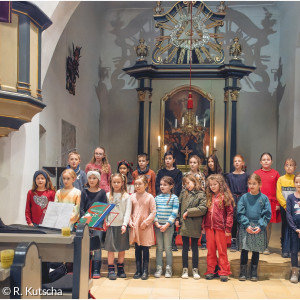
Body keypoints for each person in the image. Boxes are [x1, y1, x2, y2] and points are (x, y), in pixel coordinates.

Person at [237, 173, 271, 281]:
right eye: (249, 183)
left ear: (260, 184)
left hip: (258, 227)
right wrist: (246, 225)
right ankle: (243, 271)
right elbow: (240, 213)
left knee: (256, 250)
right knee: (245, 249)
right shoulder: (244, 197)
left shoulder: (264, 198)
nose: (251, 186)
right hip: (246, 226)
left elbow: (266, 214)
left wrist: (261, 225)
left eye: (254, 184)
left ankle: (253, 272)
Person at [176, 174, 207, 280]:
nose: (187, 186)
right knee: (185, 247)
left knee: (194, 247)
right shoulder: (183, 193)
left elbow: (203, 208)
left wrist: (188, 212)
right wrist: (177, 218)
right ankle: (184, 269)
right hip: (184, 224)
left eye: (188, 183)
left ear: (195, 181)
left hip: (195, 224)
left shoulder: (201, 194)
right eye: (185, 184)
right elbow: (178, 206)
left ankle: (195, 269)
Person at [204, 174, 234, 282]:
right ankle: (211, 270)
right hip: (209, 227)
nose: (212, 186)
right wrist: (203, 225)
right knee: (211, 250)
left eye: (215, 184)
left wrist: (228, 228)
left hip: (221, 227)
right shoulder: (208, 196)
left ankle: (224, 271)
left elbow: (230, 213)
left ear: (220, 184)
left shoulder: (225, 197)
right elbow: (205, 212)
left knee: (222, 250)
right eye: (210, 185)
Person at [80, 171, 107, 279]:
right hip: (86, 222)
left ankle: (96, 269)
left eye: (94, 178)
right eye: (90, 178)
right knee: (86, 244)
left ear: (98, 180)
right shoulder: (84, 192)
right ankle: (87, 269)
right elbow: (81, 208)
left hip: (98, 222)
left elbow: (104, 208)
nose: (91, 180)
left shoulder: (102, 193)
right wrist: (86, 219)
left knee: (97, 244)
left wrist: (97, 220)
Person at [104, 173, 131, 280]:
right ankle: (111, 269)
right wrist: (106, 221)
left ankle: (120, 268)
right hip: (111, 225)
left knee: (121, 248)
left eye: (118, 182)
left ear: (122, 183)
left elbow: (127, 211)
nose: (116, 184)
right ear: (111, 182)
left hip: (121, 226)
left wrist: (125, 224)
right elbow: (105, 211)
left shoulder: (126, 196)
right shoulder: (107, 195)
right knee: (110, 249)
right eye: (114, 182)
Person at [129, 175, 156, 280]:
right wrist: (130, 221)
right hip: (136, 225)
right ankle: (138, 270)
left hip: (145, 226)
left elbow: (153, 212)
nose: (137, 186)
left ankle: (145, 271)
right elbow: (129, 211)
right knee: (137, 248)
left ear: (145, 185)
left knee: (145, 248)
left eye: (140, 184)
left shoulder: (150, 197)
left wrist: (146, 222)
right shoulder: (132, 197)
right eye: (136, 184)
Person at [155, 151, 183, 251]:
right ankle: (162, 243)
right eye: (166, 158)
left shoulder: (178, 172)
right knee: (162, 219)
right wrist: (162, 195)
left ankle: (172, 242)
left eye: (170, 158)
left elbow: (178, 186)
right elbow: (158, 185)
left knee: (173, 220)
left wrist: (172, 196)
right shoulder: (160, 172)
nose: (168, 160)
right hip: (162, 198)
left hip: (173, 198)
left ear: (173, 160)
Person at [254, 152, 280, 255]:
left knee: (268, 225)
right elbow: (251, 187)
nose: (266, 161)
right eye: (264, 159)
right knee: (259, 223)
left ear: (271, 161)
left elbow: (279, 190)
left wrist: (278, 203)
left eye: (268, 159)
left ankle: (265, 246)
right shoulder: (256, 173)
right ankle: (258, 244)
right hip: (258, 202)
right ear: (260, 162)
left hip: (271, 203)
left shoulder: (276, 173)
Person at [154, 176, 179, 278]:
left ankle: (169, 268)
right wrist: (156, 223)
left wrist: (167, 224)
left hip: (168, 226)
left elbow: (174, 212)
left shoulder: (174, 198)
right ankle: (159, 268)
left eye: (165, 185)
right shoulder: (156, 198)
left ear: (171, 186)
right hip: (158, 226)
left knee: (168, 248)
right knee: (159, 248)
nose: (162, 186)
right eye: (161, 185)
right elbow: (154, 211)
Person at [226, 154, 249, 252]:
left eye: (239, 161)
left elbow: (249, 188)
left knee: (242, 219)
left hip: (243, 199)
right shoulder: (230, 176)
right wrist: (231, 198)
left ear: (243, 163)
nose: (237, 163)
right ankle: (233, 241)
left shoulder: (247, 175)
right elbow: (227, 189)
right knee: (234, 220)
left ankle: (241, 241)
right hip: (233, 199)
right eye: (235, 161)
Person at [184, 154, 206, 249]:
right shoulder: (186, 175)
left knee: (196, 222)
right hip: (187, 199)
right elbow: (184, 188)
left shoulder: (201, 175)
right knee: (187, 221)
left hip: (197, 200)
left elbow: (203, 188)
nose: (192, 164)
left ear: (198, 164)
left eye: (194, 162)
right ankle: (187, 242)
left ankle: (200, 241)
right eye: (191, 162)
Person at [276, 158, 297, 258]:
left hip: (295, 208)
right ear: (284, 167)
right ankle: (285, 249)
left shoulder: (296, 178)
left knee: (294, 227)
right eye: (287, 165)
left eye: (291, 165)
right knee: (285, 227)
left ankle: (293, 249)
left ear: (295, 167)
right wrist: (285, 205)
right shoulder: (281, 179)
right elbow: (279, 194)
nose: (289, 167)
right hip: (285, 208)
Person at [286, 172, 300, 283]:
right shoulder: (291, 197)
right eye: (297, 182)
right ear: (294, 183)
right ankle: (294, 271)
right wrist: (295, 228)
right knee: (294, 251)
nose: (299, 184)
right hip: (294, 230)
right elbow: (289, 214)